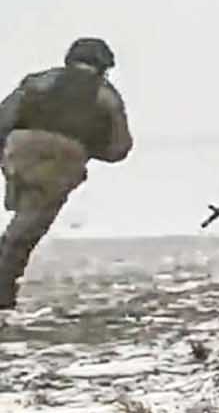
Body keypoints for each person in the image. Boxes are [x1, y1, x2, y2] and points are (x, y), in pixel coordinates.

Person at [0, 38, 132, 309]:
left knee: (22, 218)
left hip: (19, 150)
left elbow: (4, 118)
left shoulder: (39, 81)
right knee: (26, 231)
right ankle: (3, 291)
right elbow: (119, 148)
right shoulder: (106, 95)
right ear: (103, 66)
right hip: (63, 158)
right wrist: (87, 147)